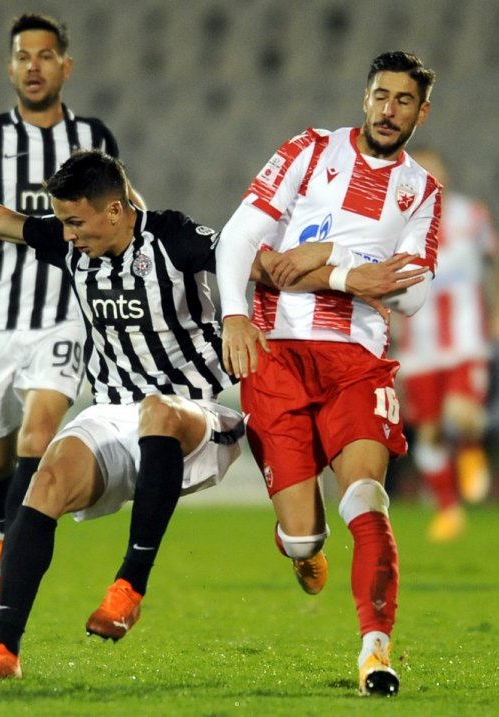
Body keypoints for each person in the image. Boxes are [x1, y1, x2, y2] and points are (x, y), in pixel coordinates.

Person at [0, 144, 253, 681]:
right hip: (113, 412)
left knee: (157, 410)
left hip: (195, 413)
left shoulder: (172, 237)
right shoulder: (70, 243)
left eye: (76, 222)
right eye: (62, 223)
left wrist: (320, 284)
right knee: (45, 481)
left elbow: (254, 262)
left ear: (115, 209)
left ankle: (129, 585)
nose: (68, 235)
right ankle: (3, 652)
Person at [216, 51, 439, 697]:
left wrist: (321, 253)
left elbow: (413, 294)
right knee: (302, 537)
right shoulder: (310, 150)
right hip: (276, 355)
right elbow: (241, 242)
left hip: (357, 362)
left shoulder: (421, 190)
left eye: (403, 100)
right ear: (365, 97)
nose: (389, 110)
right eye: (381, 96)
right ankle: (300, 544)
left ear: (421, 112)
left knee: (366, 497)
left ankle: (376, 651)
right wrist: (239, 312)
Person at [0, 14, 143, 618]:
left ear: (66, 66)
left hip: (66, 315)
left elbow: (123, 204)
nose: (33, 66)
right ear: (10, 67)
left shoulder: (93, 135)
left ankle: (8, 569)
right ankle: (1, 534)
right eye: (23, 56)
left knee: (38, 437)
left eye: (45, 56)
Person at [392, 147, 498, 541]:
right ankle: (448, 509)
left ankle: (470, 447)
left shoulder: (471, 215)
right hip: (418, 347)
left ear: (445, 176)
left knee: (461, 413)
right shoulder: (394, 226)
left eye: (432, 170)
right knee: (430, 431)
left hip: (466, 340)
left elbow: (494, 260)